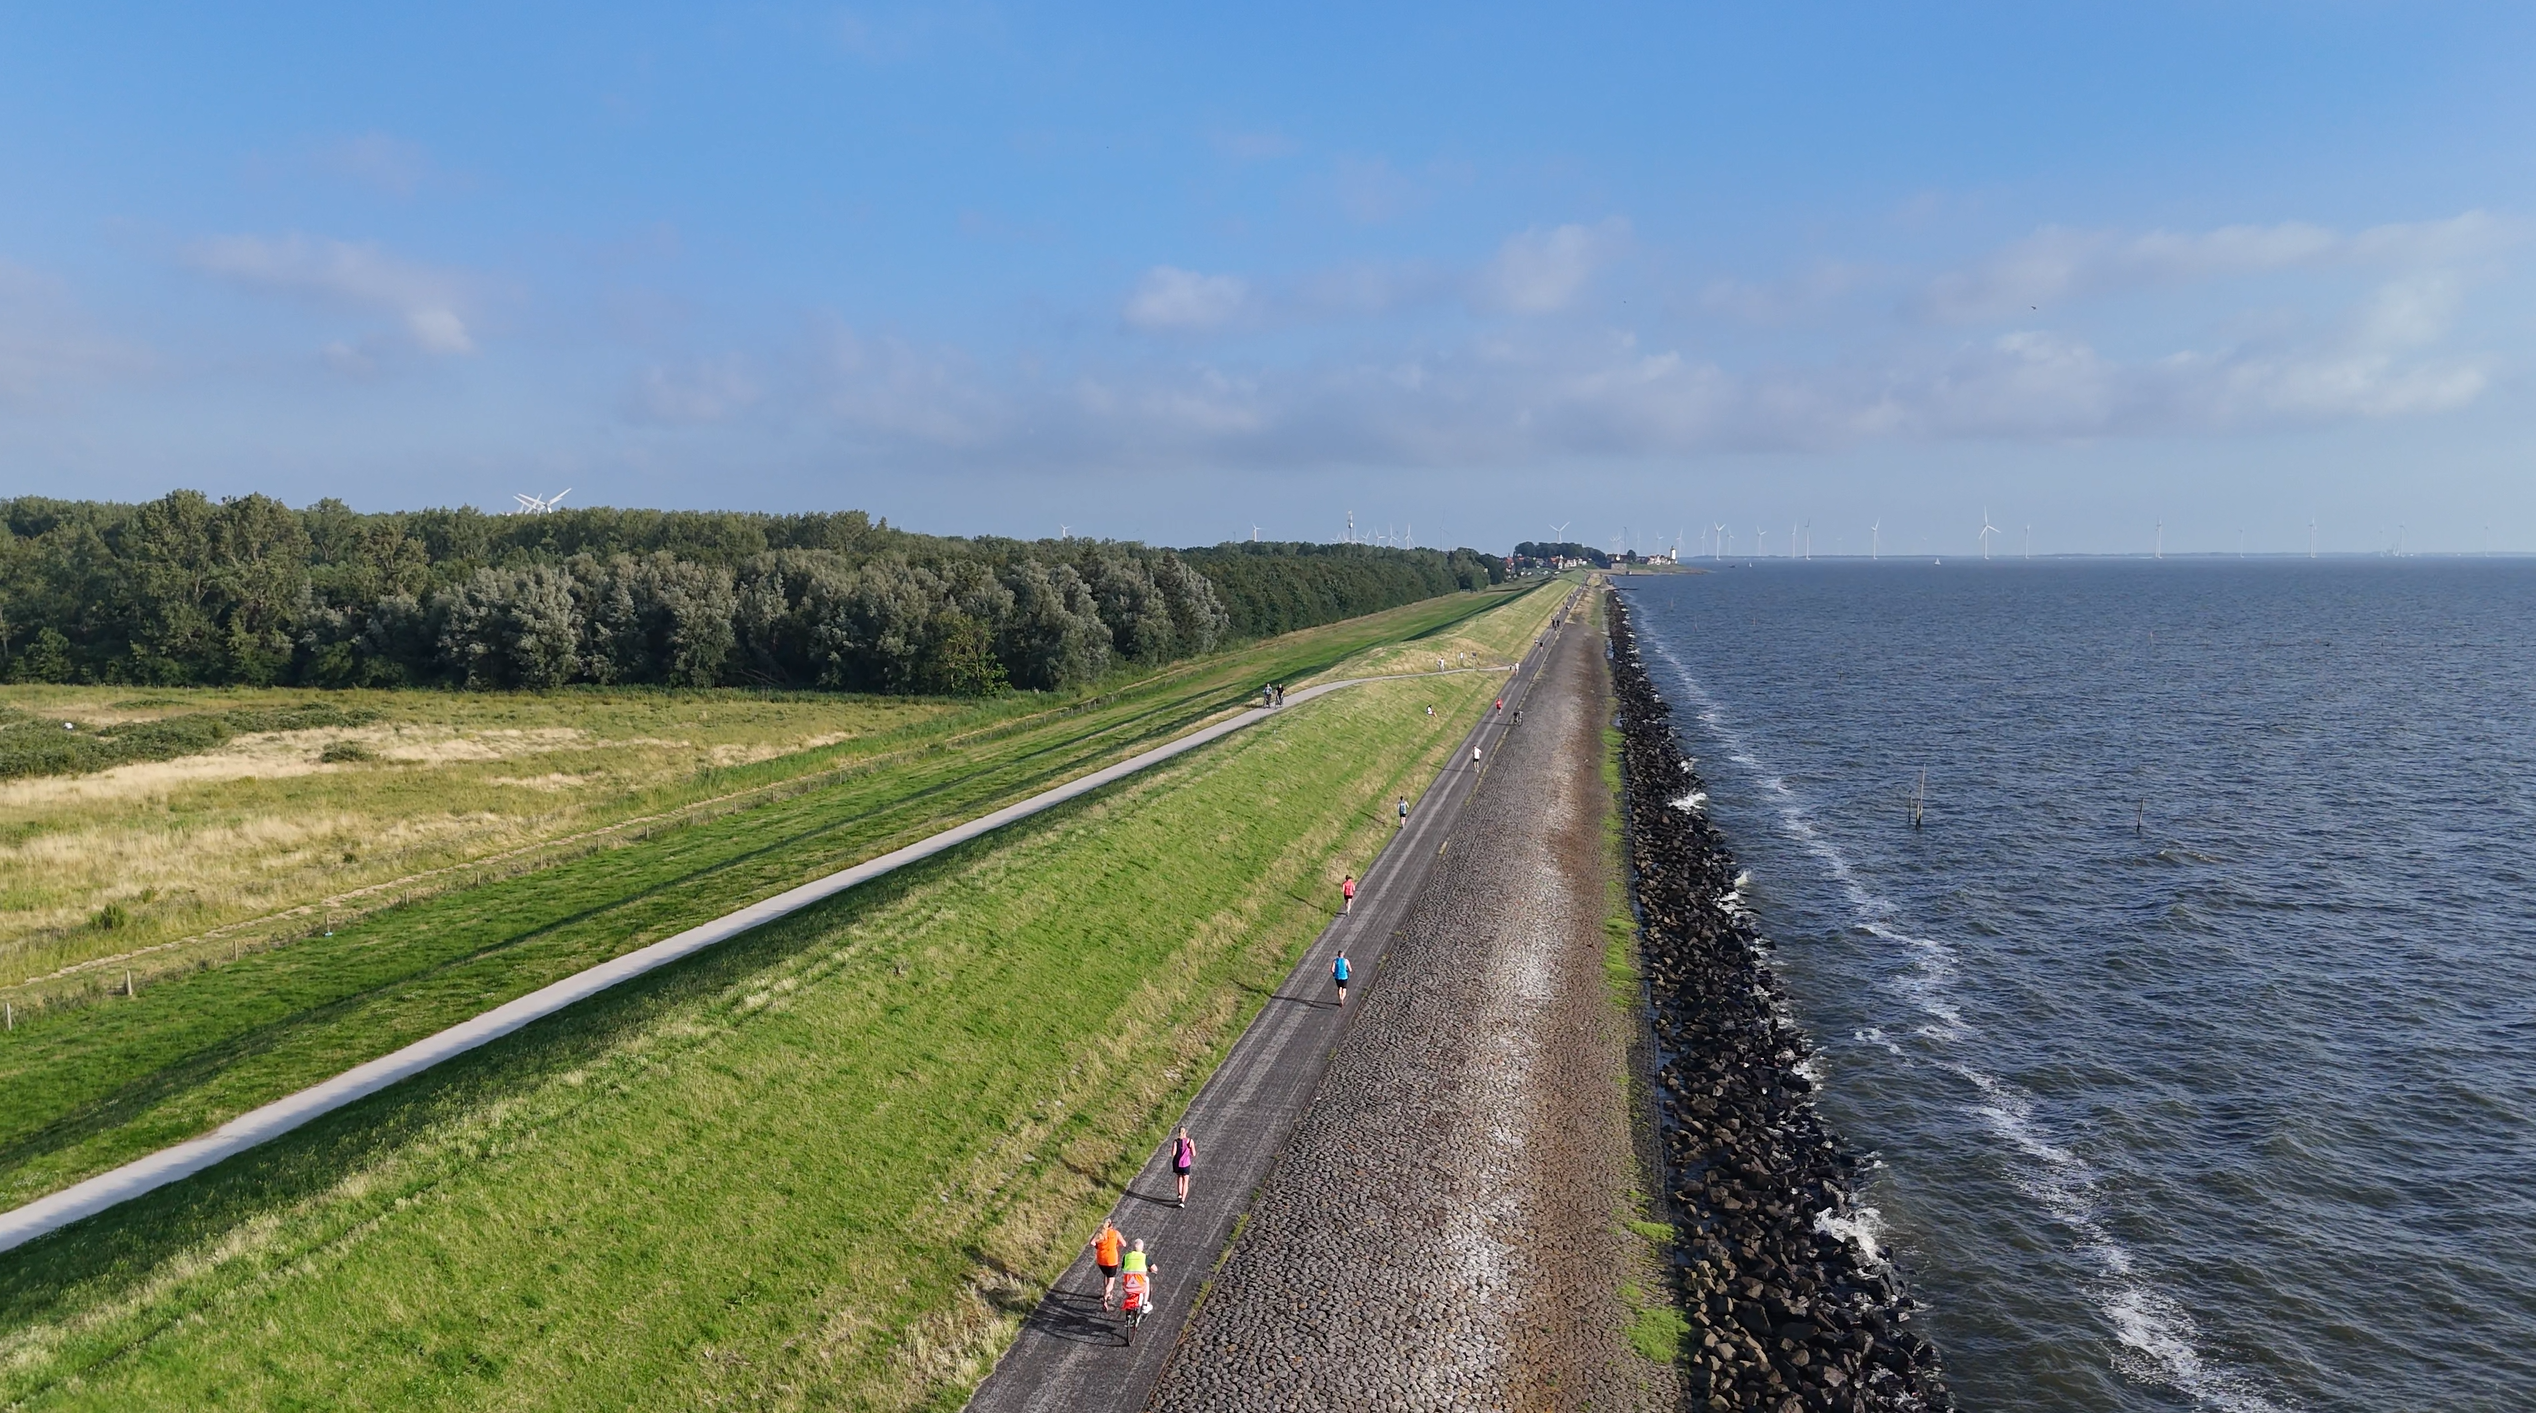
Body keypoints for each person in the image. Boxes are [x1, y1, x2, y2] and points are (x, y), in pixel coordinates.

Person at [1089, 1218, 1126, 1310]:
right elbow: (1124, 1244)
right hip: (1111, 1260)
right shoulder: (1115, 1233)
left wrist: (1098, 1247)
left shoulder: (1100, 1233)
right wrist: (1115, 1245)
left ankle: (1108, 1293)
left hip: (1101, 1259)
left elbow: (1092, 1242)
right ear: (1111, 1225)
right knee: (1111, 1281)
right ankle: (1106, 1297)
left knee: (1105, 1275)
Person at [1170, 1127, 1197, 1207]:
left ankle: (1179, 1194)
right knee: (1186, 1181)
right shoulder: (1190, 1141)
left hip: (1177, 1163)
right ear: (1186, 1132)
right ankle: (1182, 1201)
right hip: (1186, 1163)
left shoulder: (1176, 1141)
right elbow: (1194, 1154)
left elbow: (1173, 1153)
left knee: (1179, 1178)